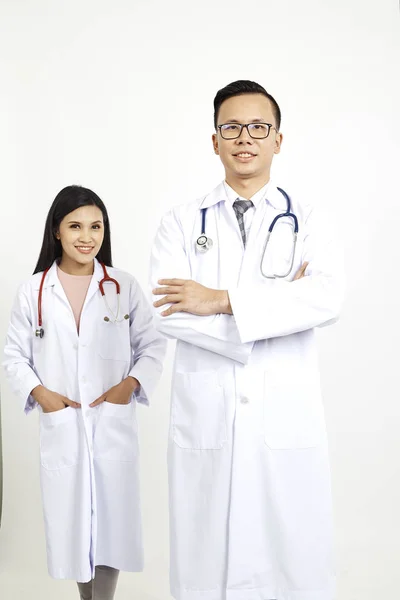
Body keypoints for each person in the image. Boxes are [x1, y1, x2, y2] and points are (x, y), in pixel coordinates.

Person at [150, 80, 344, 600]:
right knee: (205, 560)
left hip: (285, 415)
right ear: (214, 141)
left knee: (292, 559)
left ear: (278, 140)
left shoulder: (308, 219)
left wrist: (219, 299)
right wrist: (277, 309)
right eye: (231, 127)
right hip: (208, 416)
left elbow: (325, 299)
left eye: (259, 127)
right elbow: (168, 313)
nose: (245, 138)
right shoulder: (180, 222)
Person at [3, 185, 166, 600]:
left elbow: (152, 345)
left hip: (110, 421)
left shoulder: (121, 286)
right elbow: (13, 356)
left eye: (96, 226)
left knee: (111, 519)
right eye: (75, 225)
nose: (86, 236)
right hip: (65, 424)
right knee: (76, 522)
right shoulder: (34, 290)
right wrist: (42, 394)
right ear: (56, 231)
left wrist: (128, 386)